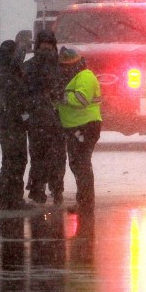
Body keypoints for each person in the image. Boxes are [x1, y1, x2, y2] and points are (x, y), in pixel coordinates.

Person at [56, 47, 102, 212]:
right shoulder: (73, 77)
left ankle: (85, 201)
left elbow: (81, 99)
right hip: (76, 127)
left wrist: (61, 97)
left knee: (81, 164)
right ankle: (84, 200)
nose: (64, 68)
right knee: (77, 164)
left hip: (85, 126)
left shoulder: (85, 76)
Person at [23, 30, 66, 205]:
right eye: (45, 45)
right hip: (55, 119)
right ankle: (55, 189)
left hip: (39, 120)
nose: (46, 48)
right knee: (55, 157)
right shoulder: (61, 66)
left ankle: (39, 189)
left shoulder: (29, 66)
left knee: (39, 156)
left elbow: (22, 92)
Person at [0, 40, 33, 210]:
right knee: (15, 160)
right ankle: (12, 197)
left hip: (6, 123)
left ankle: (8, 197)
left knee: (11, 159)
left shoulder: (2, 72)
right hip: (12, 123)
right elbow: (13, 101)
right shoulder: (8, 74)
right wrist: (24, 116)